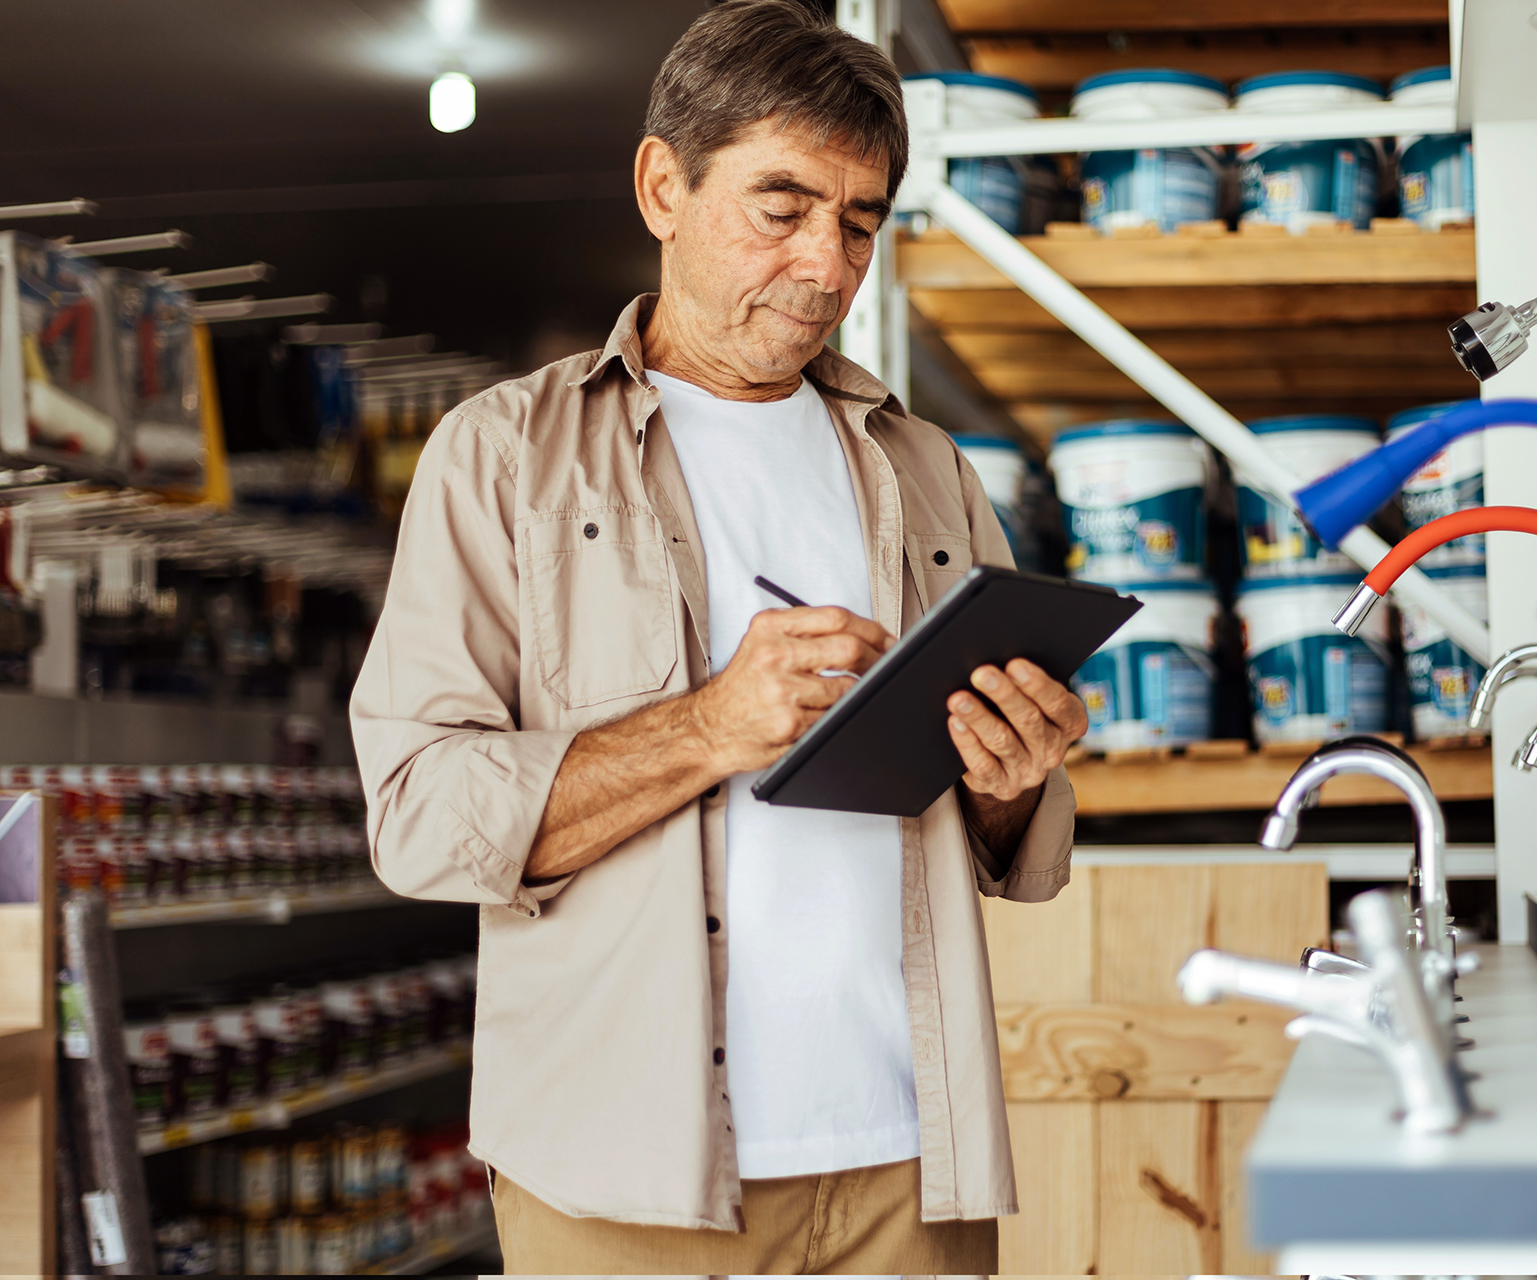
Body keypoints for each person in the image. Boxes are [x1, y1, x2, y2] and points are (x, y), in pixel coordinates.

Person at [348, 1, 1085, 1272]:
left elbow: (992, 834)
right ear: (663, 187)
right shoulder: (505, 457)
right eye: (781, 209)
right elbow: (418, 812)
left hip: (908, 1163)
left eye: (860, 223)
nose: (826, 267)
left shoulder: (929, 471)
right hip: (623, 1180)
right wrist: (707, 726)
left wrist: (1010, 779)